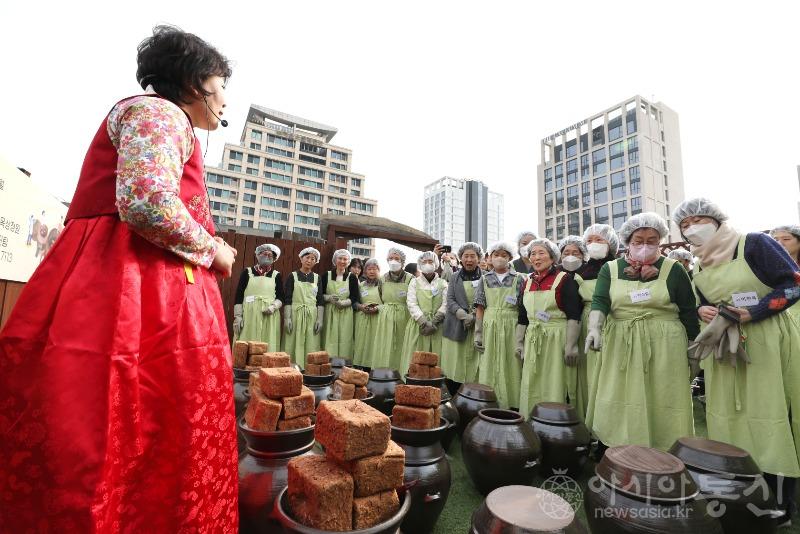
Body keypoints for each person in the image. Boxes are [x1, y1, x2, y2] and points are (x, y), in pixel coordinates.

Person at [0, 26, 238, 531]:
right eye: (222, 85)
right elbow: (147, 202)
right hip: (130, 288)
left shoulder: (162, 119)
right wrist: (213, 249)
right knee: (123, 410)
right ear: (196, 83)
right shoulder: (160, 112)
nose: (225, 100)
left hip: (130, 281)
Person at [674, 200, 800, 522]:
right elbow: (703, 299)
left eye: (698, 219)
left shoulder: (754, 243)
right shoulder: (699, 262)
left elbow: (793, 284)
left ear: (717, 220)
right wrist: (703, 308)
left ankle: (780, 500)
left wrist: (754, 311)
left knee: (770, 412)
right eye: (685, 224)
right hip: (722, 343)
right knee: (727, 412)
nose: (691, 227)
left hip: (766, 340)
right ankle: (735, 488)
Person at [585, 212, 697, 451]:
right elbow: (600, 300)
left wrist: (693, 345)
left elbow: (688, 308)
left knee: (663, 394)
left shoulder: (674, 269)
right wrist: (594, 328)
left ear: (660, 241)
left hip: (665, 343)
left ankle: (664, 449)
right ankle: (616, 446)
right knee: (619, 392)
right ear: (627, 241)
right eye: (638, 241)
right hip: (621, 341)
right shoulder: (611, 269)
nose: (645, 246)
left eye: (652, 240)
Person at [517, 239, 583, 418]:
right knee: (532, 380)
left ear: (552, 257)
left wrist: (571, 345)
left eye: (541, 253)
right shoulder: (527, 282)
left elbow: (574, 314)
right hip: (533, 337)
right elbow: (522, 316)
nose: (536, 257)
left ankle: (554, 422)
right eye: (532, 254)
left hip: (556, 339)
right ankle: (531, 420)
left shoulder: (564, 279)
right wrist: (519, 343)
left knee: (556, 381)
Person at [573, 224, 620, 429]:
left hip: (615, 319)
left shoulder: (621, 266)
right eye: (589, 241)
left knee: (611, 372)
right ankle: (589, 421)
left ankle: (611, 422)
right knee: (589, 373)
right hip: (586, 322)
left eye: (599, 240)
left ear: (611, 243)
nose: (593, 244)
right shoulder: (580, 271)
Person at [475, 241, 527, 409]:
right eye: (496, 255)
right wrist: (478, 333)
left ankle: (512, 403)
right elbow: (480, 307)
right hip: (490, 325)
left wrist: (521, 336)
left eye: (503, 255)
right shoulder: (484, 278)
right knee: (489, 362)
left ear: (510, 258)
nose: (499, 258)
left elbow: (522, 308)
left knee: (511, 363)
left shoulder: (519, 278)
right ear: (490, 257)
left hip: (511, 325)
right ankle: (488, 401)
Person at [441, 242, 484, 391]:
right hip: (456, 325)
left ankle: (473, 394)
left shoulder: (485, 277)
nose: (469, 260)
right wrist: (463, 315)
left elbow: (487, 300)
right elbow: (450, 299)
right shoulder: (454, 277)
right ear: (460, 258)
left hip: (478, 324)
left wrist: (473, 316)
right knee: (455, 364)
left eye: (473, 256)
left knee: (476, 364)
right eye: (466, 256)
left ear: (479, 258)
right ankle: (454, 393)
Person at [399, 251, 448, 375]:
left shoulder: (442, 283)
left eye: (430, 261)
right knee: (416, 358)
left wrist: (435, 321)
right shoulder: (415, 282)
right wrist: (424, 321)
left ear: (436, 263)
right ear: (420, 265)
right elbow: (411, 302)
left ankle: (434, 383)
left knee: (436, 358)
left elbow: (446, 303)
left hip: (437, 326)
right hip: (418, 325)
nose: (427, 264)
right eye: (424, 262)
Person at [233, 243, 283, 349]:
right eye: (264, 254)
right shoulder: (247, 272)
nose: (267, 257)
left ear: (274, 259)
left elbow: (280, 297)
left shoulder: (276, 275)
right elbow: (239, 295)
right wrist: (238, 316)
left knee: (267, 342)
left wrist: (273, 307)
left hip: (269, 315)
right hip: (249, 314)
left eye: (270, 256)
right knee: (246, 341)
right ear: (258, 255)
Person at [371, 248, 414, 370]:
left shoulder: (410, 279)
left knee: (402, 345)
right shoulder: (382, 279)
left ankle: (401, 373)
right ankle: (384, 373)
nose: (393, 261)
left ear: (403, 261)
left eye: (396, 258)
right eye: (390, 258)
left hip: (404, 317)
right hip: (386, 318)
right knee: (385, 345)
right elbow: (381, 297)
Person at [283, 247, 324, 368]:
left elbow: (320, 300)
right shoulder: (293, 276)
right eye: (307, 257)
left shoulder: (317, 278)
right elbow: (288, 298)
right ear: (301, 258)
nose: (309, 261)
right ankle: (291, 368)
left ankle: (309, 369)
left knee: (311, 342)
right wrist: (287, 318)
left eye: (313, 259)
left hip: (312, 315)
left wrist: (320, 319)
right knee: (293, 341)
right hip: (296, 314)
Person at [320, 249, 360, 359]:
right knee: (329, 337)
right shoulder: (326, 275)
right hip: (330, 312)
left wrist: (343, 303)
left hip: (346, 313)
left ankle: (344, 363)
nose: (342, 261)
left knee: (344, 338)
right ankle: (328, 362)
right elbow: (319, 295)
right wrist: (328, 298)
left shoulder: (352, 277)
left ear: (348, 262)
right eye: (340, 258)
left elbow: (354, 297)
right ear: (335, 260)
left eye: (345, 259)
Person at [353, 258, 383, 368]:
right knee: (362, 345)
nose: (371, 271)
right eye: (369, 269)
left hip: (377, 319)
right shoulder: (361, 285)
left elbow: (387, 303)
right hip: (363, 319)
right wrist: (361, 306)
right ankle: (360, 368)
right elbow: (355, 302)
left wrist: (378, 308)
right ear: (365, 271)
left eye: (374, 269)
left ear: (379, 270)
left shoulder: (382, 284)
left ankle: (374, 368)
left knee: (375, 345)